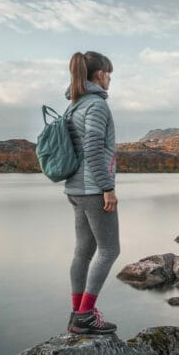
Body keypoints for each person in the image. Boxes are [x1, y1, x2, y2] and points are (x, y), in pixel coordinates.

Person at [64, 51, 119, 335]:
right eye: (109, 73)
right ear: (99, 75)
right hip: (93, 188)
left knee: (83, 251)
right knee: (110, 250)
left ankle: (77, 313)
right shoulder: (96, 106)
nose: (110, 78)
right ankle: (85, 314)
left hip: (75, 188)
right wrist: (107, 187)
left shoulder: (74, 105)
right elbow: (95, 150)